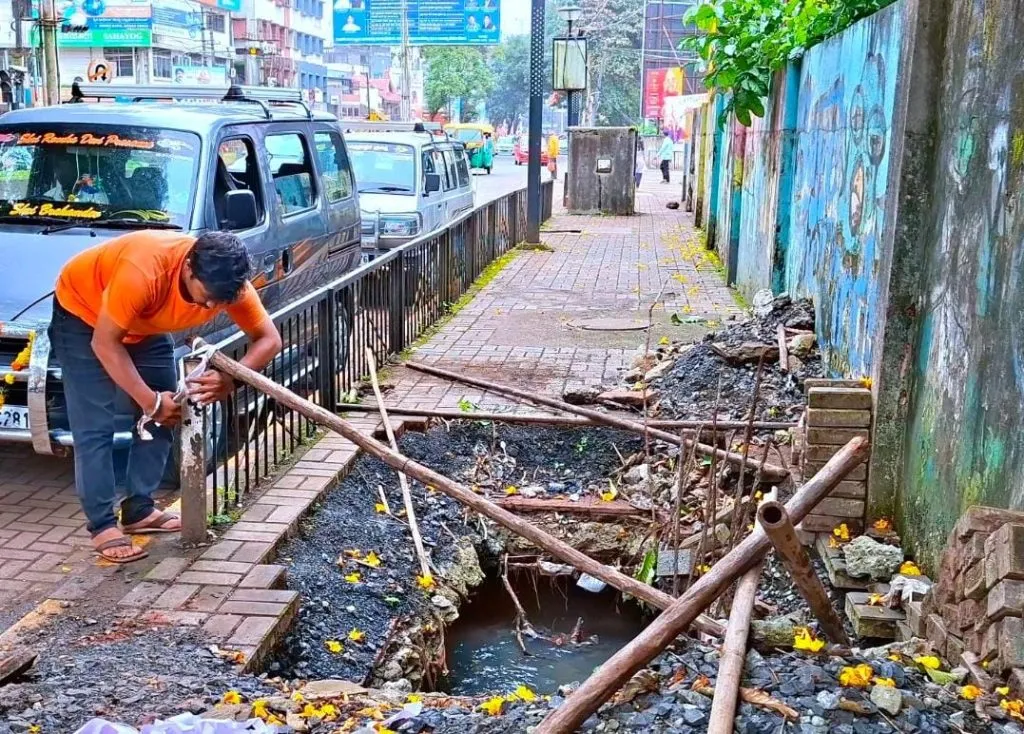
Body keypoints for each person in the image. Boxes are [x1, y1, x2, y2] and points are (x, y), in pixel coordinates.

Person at [49, 231, 283, 563]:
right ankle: (102, 525)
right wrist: (148, 400)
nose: (211, 307)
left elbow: (269, 339)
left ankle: (139, 510)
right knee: (95, 425)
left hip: (143, 325)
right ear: (188, 267)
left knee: (170, 412)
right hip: (84, 316)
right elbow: (105, 343)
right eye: (207, 297)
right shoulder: (145, 269)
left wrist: (230, 378)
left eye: (221, 301)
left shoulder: (229, 282)